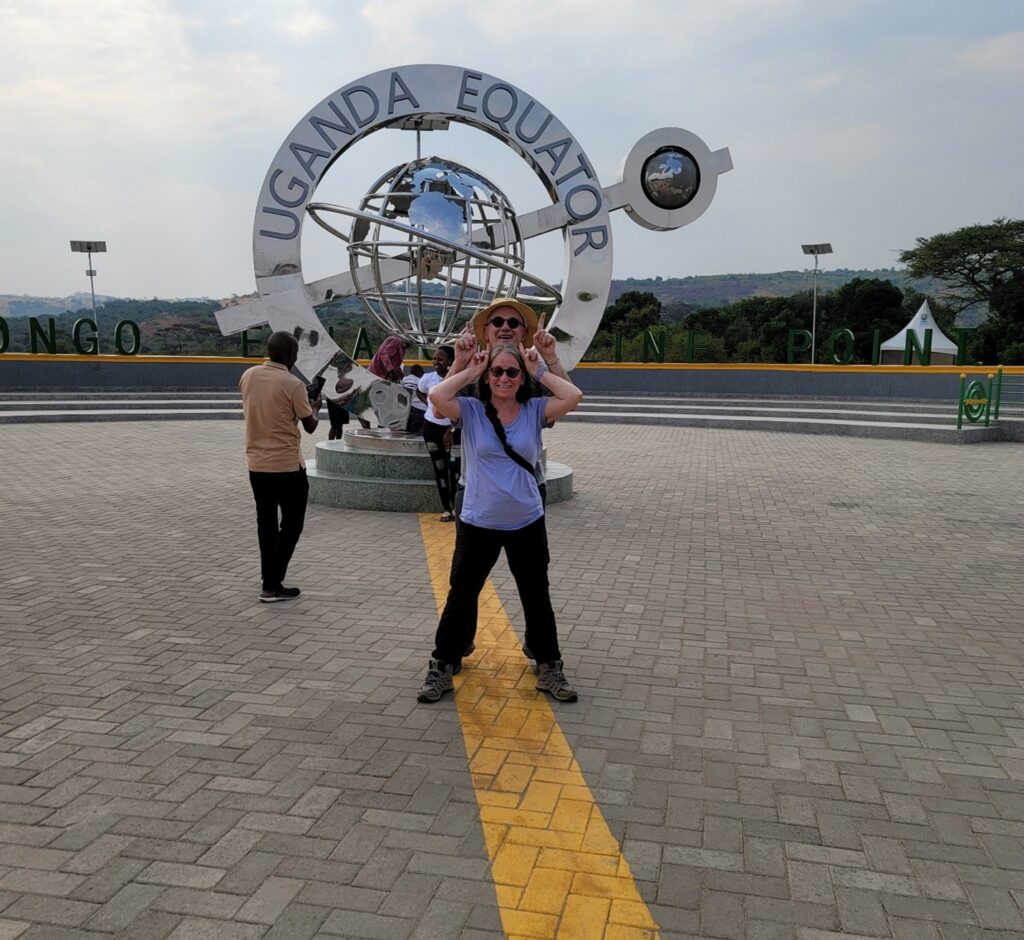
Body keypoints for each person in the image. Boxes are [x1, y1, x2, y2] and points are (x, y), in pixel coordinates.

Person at [417, 342, 583, 704]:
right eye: (497, 371)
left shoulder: (534, 409)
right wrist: (471, 369)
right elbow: (437, 396)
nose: (504, 378)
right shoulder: (471, 411)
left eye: (512, 372)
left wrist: (540, 368)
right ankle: (442, 664)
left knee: (536, 596)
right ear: (487, 376)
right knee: (462, 595)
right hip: (479, 521)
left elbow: (573, 396)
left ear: (521, 377)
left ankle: (549, 665)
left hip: (526, 520)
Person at [238, 331, 321, 603]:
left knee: (266, 525)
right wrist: (315, 406)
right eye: (295, 353)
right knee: (292, 525)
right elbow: (310, 426)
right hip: (287, 468)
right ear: (289, 354)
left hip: (257, 465)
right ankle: (272, 584)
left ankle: (269, 581)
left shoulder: (248, 376)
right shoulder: (293, 384)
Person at [419, 346, 458, 521]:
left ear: (450, 361)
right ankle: (446, 509)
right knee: (440, 468)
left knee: (455, 470)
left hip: (454, 429)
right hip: (431, 429)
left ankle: (456, 506)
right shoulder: (428, 379)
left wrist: (451, 429)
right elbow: (420, 391)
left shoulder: (458, 380)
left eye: (440, 359)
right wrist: (430, 406)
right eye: (434, 359)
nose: (436, 362)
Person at [403, 364, 426, 434]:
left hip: (406, 406)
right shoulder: (421, 380)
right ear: (420, 373)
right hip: (419, 407)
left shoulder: (405, 379)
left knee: (408, 428)